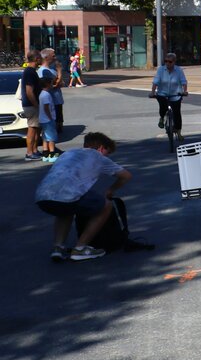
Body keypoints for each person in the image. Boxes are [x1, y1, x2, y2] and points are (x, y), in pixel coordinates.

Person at [34, 131, 131, 262]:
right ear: (101, 148)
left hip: (42, 196)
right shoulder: (99, 157)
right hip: (66, 196)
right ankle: (80, 248)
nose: (107, 156)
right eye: (107, 153)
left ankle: (58, 247)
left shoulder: (67, 153)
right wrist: (110, 190)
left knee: (65, 207)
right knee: (105, 206)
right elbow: (126, 176)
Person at [150, 53, 188, 141]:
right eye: (166, 61)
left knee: (177, 113)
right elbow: (156, 81)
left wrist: (184, 91)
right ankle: (162, 118)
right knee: (163, 106)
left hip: (176, 94)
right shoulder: (161, 70)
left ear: (174, 62)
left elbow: (183, 82)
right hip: (162, 93)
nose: (167, 63)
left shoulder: (179, 70)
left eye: (170, 62)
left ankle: (178, 132)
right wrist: (152, 92)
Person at [20, 49, 43, 163]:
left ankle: (34, 150)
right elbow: (29, 91)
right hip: (31, 105)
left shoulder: (31, 71)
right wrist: (36, 104)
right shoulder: (29, 72)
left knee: (36, 128)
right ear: (36, 59)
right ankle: (29, 153)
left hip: (32, 104)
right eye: (40, 58)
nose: (41, 60)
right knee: (32, 129)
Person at [38, 49, 65, 132]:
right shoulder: (43, 71)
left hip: (57, 101)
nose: (55, 57)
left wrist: (58, 80)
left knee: (59, 124)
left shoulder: (52, 70)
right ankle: (51, 143)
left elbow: (62, 83)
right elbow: (53, 85)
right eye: (53, 56)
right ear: (46, 57)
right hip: (51, 102)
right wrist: (59, 71)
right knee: (53, 126)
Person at [38, 75, 61, 162]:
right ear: (47, 84)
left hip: (42, 119)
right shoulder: (46, 95)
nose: (52, 85)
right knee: (51, 138)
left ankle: (45, 154)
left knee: (45, 137)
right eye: (51, 83)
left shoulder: (41, 94)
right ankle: (52, 155)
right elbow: (46, 107)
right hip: (48, 119)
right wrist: (51, 118)